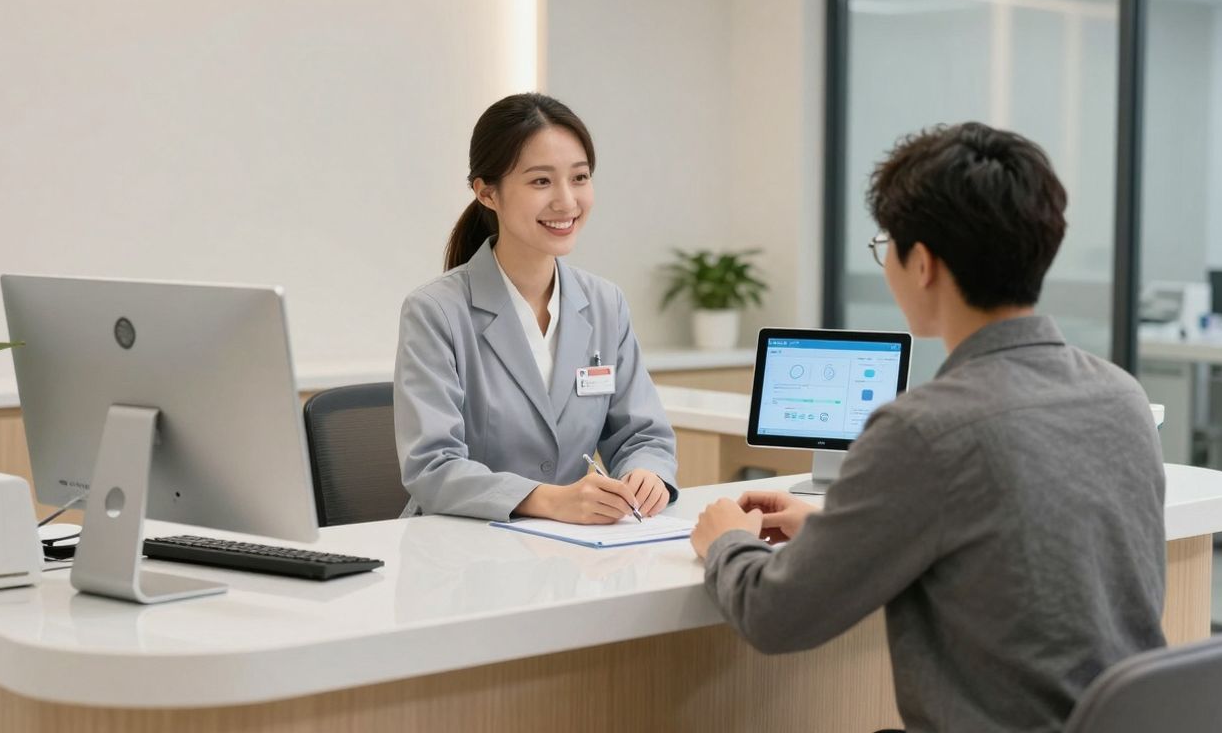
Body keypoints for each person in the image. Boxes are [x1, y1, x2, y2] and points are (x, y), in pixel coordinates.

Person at [689, 122, 1167, 732]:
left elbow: (775, 617)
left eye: (886, 243)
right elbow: (1016, 558)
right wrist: (840, 532)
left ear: (922, 264)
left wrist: (727, 540)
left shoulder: (923, 430)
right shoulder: (1120, 396)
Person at [393, 92, 677, 523]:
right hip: (457, 555)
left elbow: (642, 434)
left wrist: (646, 474)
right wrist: (548, 500)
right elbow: (432, 467)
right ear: (487, 193)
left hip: (571, 551)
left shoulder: (605, 304)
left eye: (579, 178)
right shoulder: (435, 311)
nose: (566, 201)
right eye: (541, 181)